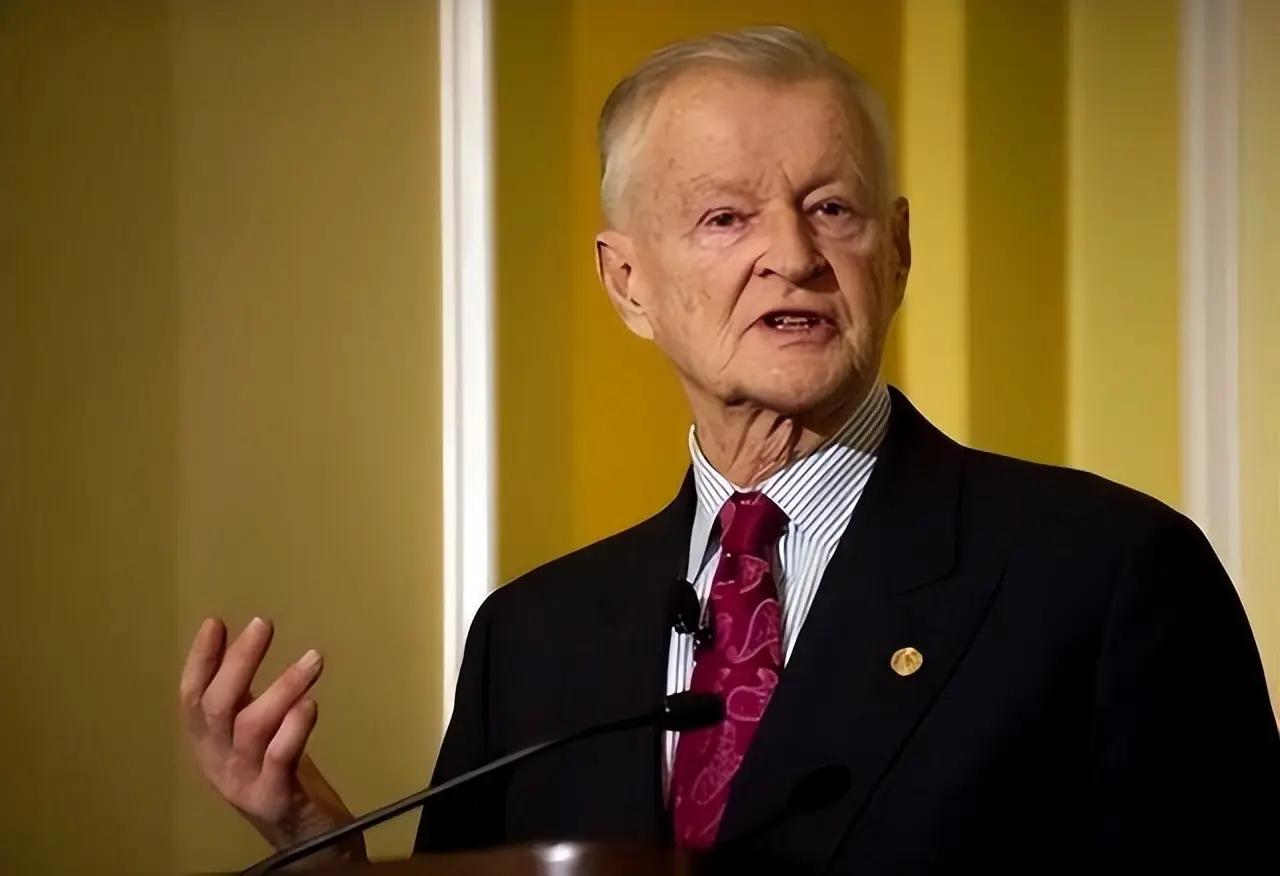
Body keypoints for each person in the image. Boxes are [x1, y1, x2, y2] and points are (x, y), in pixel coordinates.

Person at [180, 26, 1279, 872]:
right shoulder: (532, 639)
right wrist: (321, 848)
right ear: (627, 282)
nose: (792, 255)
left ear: (896, 253)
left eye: (832, 209)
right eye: (725, 218)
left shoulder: (1105, 575)